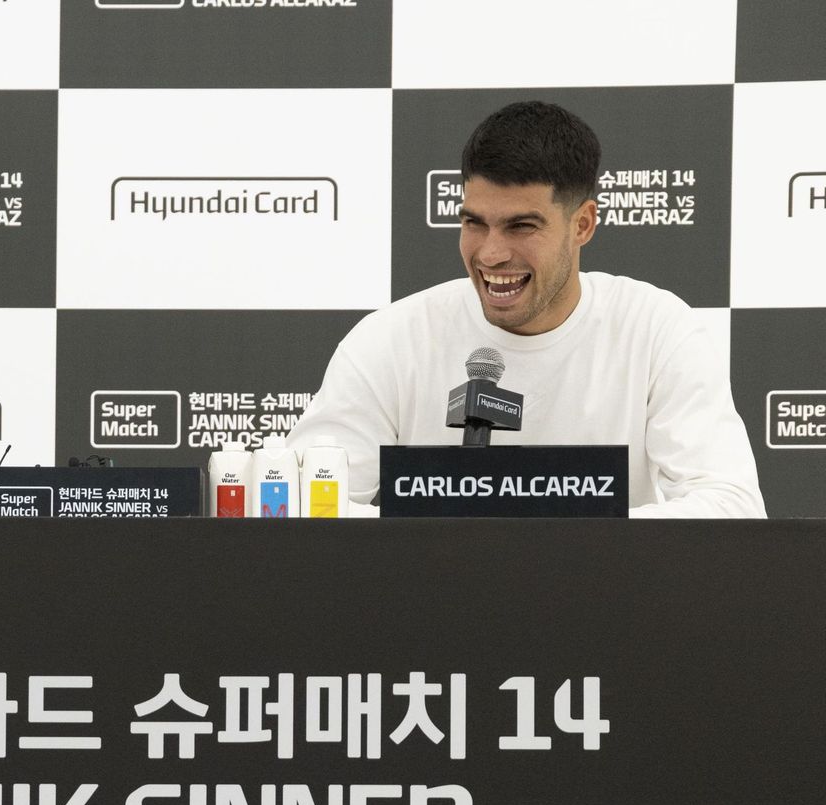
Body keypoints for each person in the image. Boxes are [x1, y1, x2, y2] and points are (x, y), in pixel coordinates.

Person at [290, 102, 764, 518]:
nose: (491, 254)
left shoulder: (657, 329)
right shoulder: (391, 339)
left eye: (521, 226)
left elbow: (732, 505)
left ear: (582, 224)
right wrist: (436, 540)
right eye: (474, 223)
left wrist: (554, 538)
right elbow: (300, 504)